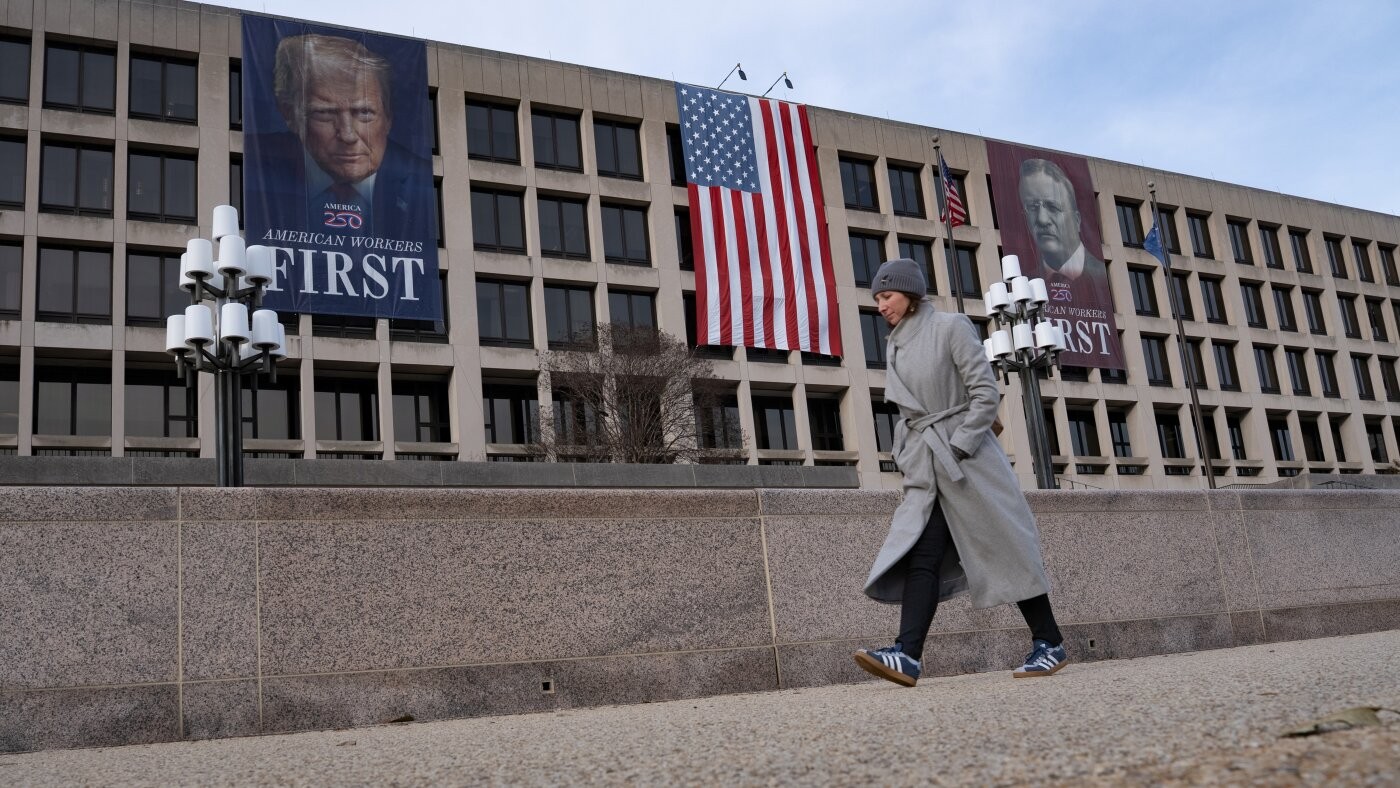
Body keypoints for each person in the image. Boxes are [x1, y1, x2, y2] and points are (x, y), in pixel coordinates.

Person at [854, 257, 1069, 687]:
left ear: (910, 294)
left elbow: (985, 394)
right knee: (922, 555)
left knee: (1007, 548)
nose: (881, 305)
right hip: (928, 467)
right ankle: (907, 655)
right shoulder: (896, 344)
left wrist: (961, 444)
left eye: (887, 296)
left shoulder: (950, 327)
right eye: (877, 298)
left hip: (968, 464)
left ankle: (1050, 643)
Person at [245, 33, 432, 241]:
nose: (348, 135)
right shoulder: (252, 165)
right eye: (325, 113)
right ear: (290, 114)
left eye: (364, 113)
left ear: (388, 117)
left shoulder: (424, 183)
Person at [1018, 158, 1107, 289]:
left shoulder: (1105, 278)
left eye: (1053, 207)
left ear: (1077, 220)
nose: (1042, 219)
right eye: (1032, 207)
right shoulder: (1024, 286)